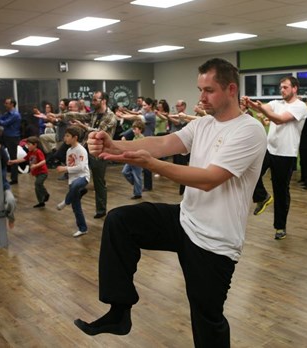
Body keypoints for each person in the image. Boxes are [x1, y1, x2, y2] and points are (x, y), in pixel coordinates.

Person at [74, 58, 267, 347]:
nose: (201, 97)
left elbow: (209, 179)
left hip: (215, 240)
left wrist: (152, 165)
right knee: (120, 222)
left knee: (207, 318)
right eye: (199, 89)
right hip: (185, 219)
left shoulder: (249, 131)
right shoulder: (203, 124)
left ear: (231, 89)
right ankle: (119, 311)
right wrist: (114, 145)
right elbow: (163, 143)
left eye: (208, 90)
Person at [243, 76, 307, 240]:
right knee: (251, 171)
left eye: (285, 87)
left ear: (294, 88)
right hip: (269, 149)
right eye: (281, 87)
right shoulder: (276, 103)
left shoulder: (300, 106)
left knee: (281, 191)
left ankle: (280, 227)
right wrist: (250, 104)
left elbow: (279, 120)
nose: (282, 90)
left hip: (286, 154)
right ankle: (262, 197)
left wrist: (261, 109)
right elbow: (262, 108)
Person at [71, 91, 117, 219]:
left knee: (99, 182)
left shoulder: (111, 117)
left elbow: (99, 132)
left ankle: (101, 209)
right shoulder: (94, 114)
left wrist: (83, 127)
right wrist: (57, 116)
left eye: (95, 100)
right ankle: (80, 190)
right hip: (87, 150)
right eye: (93, 99)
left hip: (100, 153)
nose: (92, 102)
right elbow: (77, 115)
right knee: (78, 174)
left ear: (103, 101)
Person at [55, 126, 90, 238]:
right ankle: (82, 228)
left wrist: (65, 169)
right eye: (65, 135)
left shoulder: (81, 150)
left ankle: (66, 201)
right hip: (73, 179)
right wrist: (67, 171)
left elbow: (81, 167)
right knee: (76, 207)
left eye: (67, 136)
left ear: (75, 138)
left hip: (83, 177)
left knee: (75, 185)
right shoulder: (69, 151)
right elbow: (71, 165)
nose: (65, 138)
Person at [8, 136, 50, 208]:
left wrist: (36, 165)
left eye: (29, 144)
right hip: (37, 173)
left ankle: (46, 194)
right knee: (37, 187)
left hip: (42, 172)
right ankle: (41, 202)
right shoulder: (30, 153)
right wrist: (13, 161)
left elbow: (43, 161)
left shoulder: (38, 152)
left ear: (35, 145)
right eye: (27, 144)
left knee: (38, 183)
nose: (27, 146)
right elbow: (23, 159)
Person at [0, 98, 21, 184]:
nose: (5, 105)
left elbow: (5, 123)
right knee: (0, 153)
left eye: (7, 103)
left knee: (13, 158)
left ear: (12, 104)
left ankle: (14, 179)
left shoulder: (15, 115)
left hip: (12, 137)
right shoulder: (7, 113)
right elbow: (0, 119)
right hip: (6, 136)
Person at [121, 120, 145, 199]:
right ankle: (136, 185)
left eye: (135, 129)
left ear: (140, 129)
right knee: (125, 172)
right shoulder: (135, 137)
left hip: (137, 159)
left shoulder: (141, 138)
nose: (133, 131)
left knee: (137, 176)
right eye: (133, 129)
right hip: (131, 159)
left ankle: (138, 193)